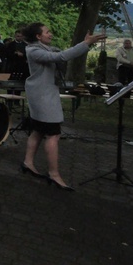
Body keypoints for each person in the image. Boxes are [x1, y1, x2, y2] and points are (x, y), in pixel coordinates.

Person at [21, 22, 105, 190]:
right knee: (53, 135)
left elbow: (62, 53)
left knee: (38, 130)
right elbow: (61, 57)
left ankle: (28, 163)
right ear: (38, 36)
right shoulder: (34, 50)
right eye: (47, 32)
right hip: (43, 97)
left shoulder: (45, 48)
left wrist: (83, 44)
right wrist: (85, 44)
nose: (51, 34)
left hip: (43, 95)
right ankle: (54, 174)